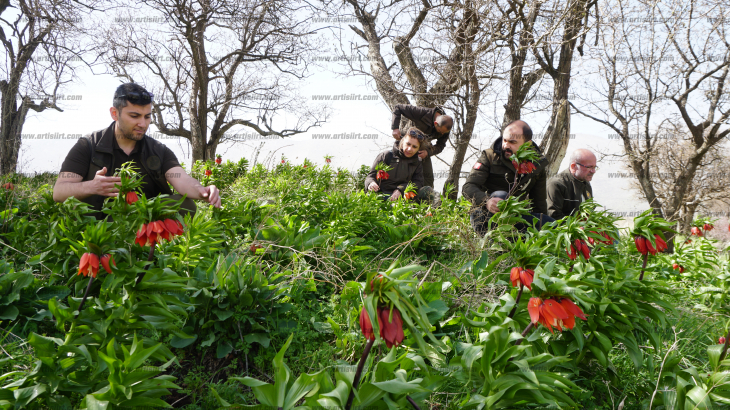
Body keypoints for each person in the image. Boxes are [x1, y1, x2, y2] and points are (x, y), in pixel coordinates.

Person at [53, 83, 221, 219]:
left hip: (145, 221)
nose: (143, 123)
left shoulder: (158, 150)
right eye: (134, 116)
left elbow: (182, 179)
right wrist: (92, 186)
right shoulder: (88, 145)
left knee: (186, 205)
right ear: (114, 113)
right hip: (101, 223)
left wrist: (203, 190)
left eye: (147, 117)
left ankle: (157, 246)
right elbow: (59, 192)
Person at [462, 120, 554, 236]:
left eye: (512, 142)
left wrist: (541, 229)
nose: (505, 146)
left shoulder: (537, 165)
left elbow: (539, 204)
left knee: (552, 225)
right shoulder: (490, 156)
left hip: (516, 217)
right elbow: (468, 187)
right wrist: (487, 201)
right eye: (505, 140)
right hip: (486, 214)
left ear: (527, 144)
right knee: (500, 195)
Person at [365, 128, 441, 206]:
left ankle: (425, 215)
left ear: (419, 149)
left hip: (404, 196)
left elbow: (418, 183)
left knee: (428, 191)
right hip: (382, 195)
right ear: (402, 141)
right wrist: (371, 183)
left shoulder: (417, 161)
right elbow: (371, 176)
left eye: (414, 147)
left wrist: (400, 190)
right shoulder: (386, 155)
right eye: (408, 144)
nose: (409, 149)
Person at [390, 104, 453, 188]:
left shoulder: (445, 128)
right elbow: (398, 107)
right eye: (440, 131)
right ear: (435, 123)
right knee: (398, 174)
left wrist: (428, 152)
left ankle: (427, 199)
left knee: (428, 180)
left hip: (422, 150)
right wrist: (395, 128)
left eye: (443, 132)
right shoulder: (422, 113)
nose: (442, 134)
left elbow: (440, 146)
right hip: (405, 146)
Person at [547, 149, 596, 220]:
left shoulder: (586, 183)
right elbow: (553, 216)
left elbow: (589, 212)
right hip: (563, 229)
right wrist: (578, 227)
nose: (593, 171)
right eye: (589, 167)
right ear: (573, 166)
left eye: (594, 167)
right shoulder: (556, 184)